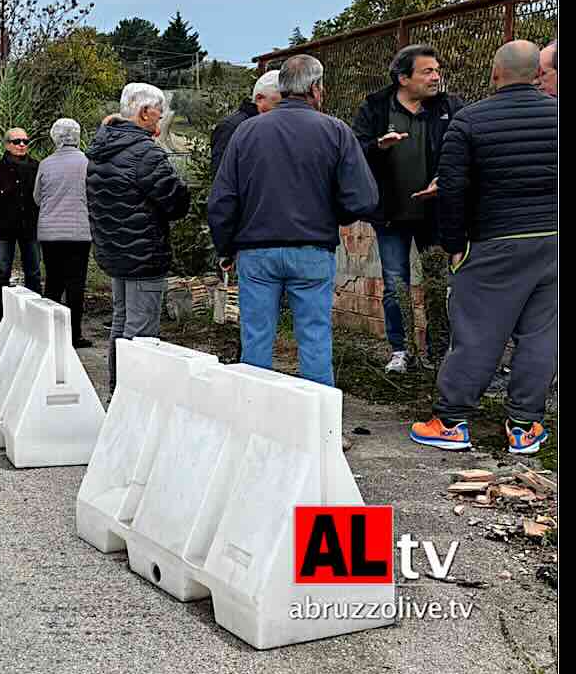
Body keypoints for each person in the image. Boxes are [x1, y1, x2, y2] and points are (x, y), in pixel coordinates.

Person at [411, 40, 557, 455]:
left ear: (494, 74)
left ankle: (451, 421)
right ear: (536, 74)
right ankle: (525, 427)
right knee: (542, 336)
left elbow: (452, 189)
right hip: (552, 243)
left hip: (495, 242)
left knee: (477, 333)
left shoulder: (469, 121)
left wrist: (454, 245)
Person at [208, 55, 379, 387]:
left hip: (256, 252)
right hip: (312, 250)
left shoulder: (247, 132)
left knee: (256, 342)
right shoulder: (335, 131)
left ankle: (255, 423)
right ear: (315, 88)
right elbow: (364, 199)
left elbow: (223, 199)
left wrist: (226, 248)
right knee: (315, 341)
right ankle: (319, 433)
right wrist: (333, 215)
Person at [350, 45, 465, 373]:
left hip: (436, 214)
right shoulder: (375, 108)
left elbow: (464, 148)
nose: (436, 76)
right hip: (390, 215)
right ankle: (401, 350)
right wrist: (377, 147)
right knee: (395, 283)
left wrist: (446, 177)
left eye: (437, 70)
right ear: (403, 78)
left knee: (439, 284)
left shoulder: (449, 107)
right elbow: (354, 150)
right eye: (427, 71)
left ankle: (440, 351)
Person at [87, 83, 190, 391]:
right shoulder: (145, 153)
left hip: (114, 250)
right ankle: (134, 400)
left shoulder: (100, 149)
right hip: (143, 253)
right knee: (141, 331)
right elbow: (176, 201)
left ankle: (117, 392)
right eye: (159, 113)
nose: (161, 120)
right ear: (145, 113)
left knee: (121, 322)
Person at [33, 118, 94, 347]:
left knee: (53, 283)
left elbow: (37, 197)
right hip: (78, 233)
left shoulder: (45, 164)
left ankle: (50, 333)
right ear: (78, 137)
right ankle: (74, 334)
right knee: (75, 284)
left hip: (49, 233)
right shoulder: (87, 163)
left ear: (54, 137)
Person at [0, 126, 42, 311]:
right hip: (4, 230)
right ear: (7, 145)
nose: (22, 145)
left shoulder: (36, 168)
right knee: (2, 271)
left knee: (33, 271)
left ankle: (35, 309)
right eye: (17, 141)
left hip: (30, 227)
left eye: (25, 141)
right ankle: (2, 310)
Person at [210, 70, 282, 174]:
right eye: (278, 105)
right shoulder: (232, 127)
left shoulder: (272, 125)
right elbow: (221, 176)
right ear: (259, 99)